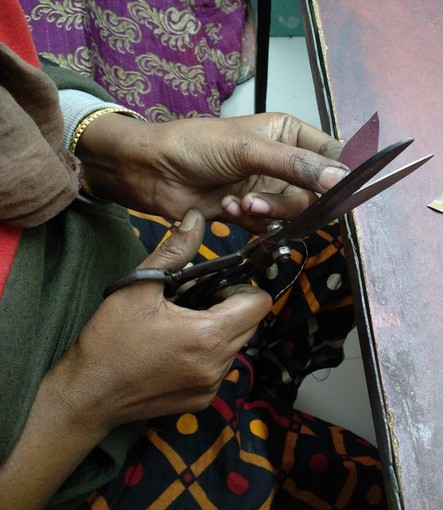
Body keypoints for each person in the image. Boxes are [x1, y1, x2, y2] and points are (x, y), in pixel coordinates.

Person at [0, 2, 386, 508]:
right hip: (64, 459)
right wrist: (84, 401)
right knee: (364, 486)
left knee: (323, 246)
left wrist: (124, 151)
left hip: (91, 241)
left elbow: (14, 77)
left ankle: (259, 393)